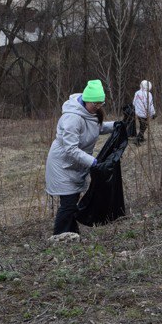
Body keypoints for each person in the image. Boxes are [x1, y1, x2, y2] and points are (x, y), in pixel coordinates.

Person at [45, 79, 115, 237]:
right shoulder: (72, 118)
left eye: (100, 104)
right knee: (68, 204)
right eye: (95, 104)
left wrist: (116, 125)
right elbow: (71, 148)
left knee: (72, 201)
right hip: (62, 165)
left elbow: (98, 127)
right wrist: (94, 162)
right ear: (86, 100)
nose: (97, 107)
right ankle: (59, 236)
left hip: (75, 164)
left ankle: (71, 234)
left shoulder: (90, 113)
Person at [132, 80, 156, 144]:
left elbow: (134, 103)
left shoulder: (137, 93)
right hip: (145, 113)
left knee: (142, 125)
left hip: (138, 113)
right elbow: (150, 104)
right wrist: (153, 113)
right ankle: (137, 140)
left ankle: (141, 138)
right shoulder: (149, 94)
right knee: (144, 127)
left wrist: (138, 108)